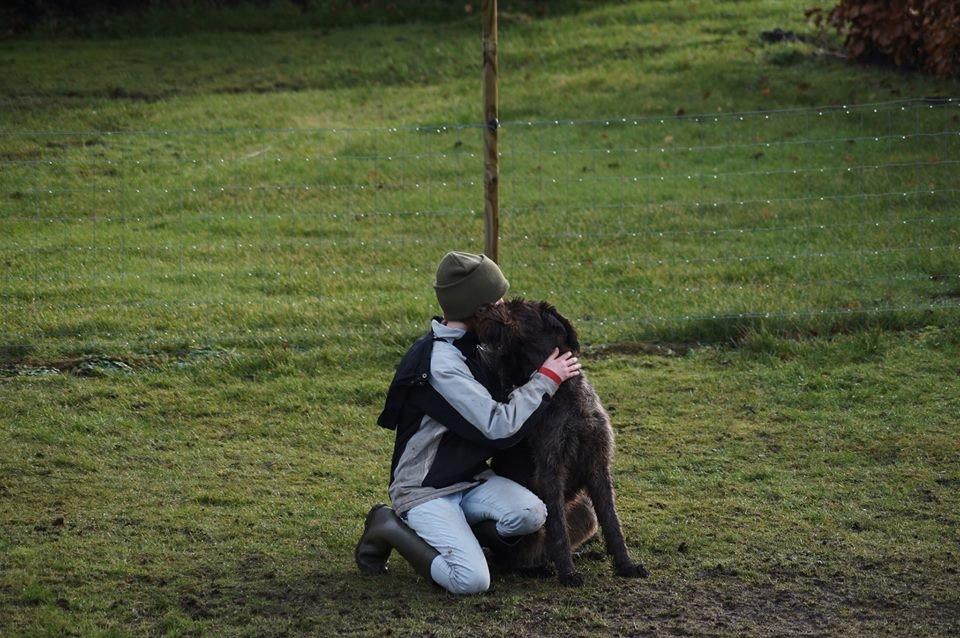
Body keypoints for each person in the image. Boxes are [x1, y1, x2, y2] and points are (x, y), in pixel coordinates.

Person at [354, 250, 581, 594]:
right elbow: (498, 425)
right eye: (500, 301)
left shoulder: (477, 346)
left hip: (471, 481)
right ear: (481, 309)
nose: (506, 309)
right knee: (471, 581)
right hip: (426, 490)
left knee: (532, 514)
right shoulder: (441, 365)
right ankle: (388, 526)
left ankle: (463, 536)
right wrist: (546, 379)